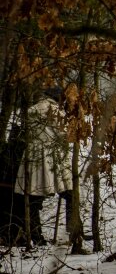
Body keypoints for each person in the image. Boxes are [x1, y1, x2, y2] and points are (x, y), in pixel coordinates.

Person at [13, 89, 73, 245]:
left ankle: (36, 235)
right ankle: (73, 230)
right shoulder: (57, 112)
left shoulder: (31, 110)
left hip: (33, 155)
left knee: (33, 198)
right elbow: (63, 135)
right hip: (54, 156)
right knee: (69, 193)